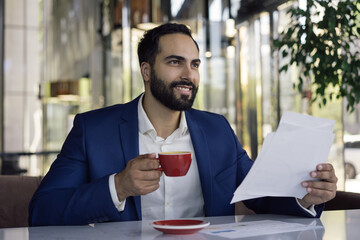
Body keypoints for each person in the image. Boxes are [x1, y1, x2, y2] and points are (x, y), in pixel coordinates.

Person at [29, 23, 337, 226]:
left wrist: (305, 197)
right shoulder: (93, 130)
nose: (188, 74)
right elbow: (42, 211)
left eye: (195, 64)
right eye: (175, 62)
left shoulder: (217, 130)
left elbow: (261, 194)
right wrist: (118, 187)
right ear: (147, 71)